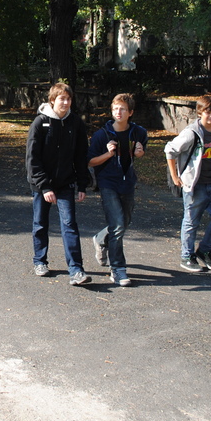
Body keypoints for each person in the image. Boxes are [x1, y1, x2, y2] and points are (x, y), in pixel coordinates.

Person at [26, 82, 92, 286]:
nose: (65, 102)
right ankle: (40, 261)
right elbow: (32, 159)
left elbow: (81, 155)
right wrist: (45, 186)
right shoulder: (40, 122)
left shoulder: (75, 123)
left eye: (68, 99)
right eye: (61, 98)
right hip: (42, 184)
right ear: (52, 100)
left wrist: (82, 184)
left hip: (65, 183)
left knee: (69, 224)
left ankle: (76, 270)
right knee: (40, 223)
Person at [86, 93, 148, 287]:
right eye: (115, 109)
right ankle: (118, 269)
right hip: (108, 183)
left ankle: (100, 238)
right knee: (118, 226)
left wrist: (139, 153)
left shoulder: (139, 133)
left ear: (130, 112)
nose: (118, 112)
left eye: (122, 109)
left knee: (123, 223)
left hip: (127, 183)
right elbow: (89, 161)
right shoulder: (101, 135)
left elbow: (139, 152)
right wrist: (108, 154)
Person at [164, 95, 211, 272]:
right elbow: (170, 150)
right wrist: (175, 176)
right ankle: (187, 256)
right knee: (191, 221)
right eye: (208, 113)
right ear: (199, 113)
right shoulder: (191, 132)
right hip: (194, 185)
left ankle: (205, 250)